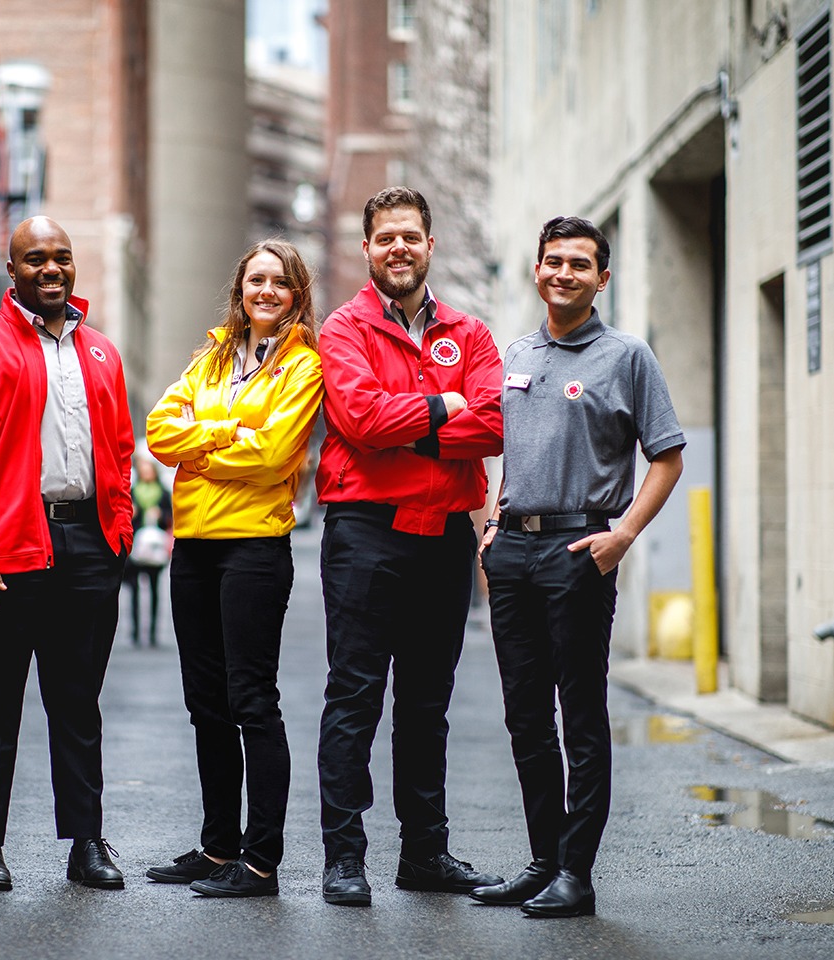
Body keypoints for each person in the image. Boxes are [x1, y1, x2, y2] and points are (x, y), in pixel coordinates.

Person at [470, 217, 684, 918]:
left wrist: (622, 535)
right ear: (537, 270)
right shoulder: (517, 353)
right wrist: (496, 525)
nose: (563, 273)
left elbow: (667, 456)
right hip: (515, 551)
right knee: (525, 716)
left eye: (579, 264)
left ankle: (577, 875)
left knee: (580, 716)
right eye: (553, 261)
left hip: (579, 549)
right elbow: (514, 450)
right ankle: (543, 861)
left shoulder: (626, 356)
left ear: (602, 279)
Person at [314, 187, 505, 907]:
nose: (399, 248)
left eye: (411, 237)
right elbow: (359, 418)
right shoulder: (344, 329)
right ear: (367, 249)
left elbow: (492, 425)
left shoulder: (471, 334)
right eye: (386, 237)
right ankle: (344, 857)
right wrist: (445, 408)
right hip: (365, 532)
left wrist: (413, 426)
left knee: (428, 703)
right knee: (355, 695)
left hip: (443, 542)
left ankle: (425, 852)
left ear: (431, 246)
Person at [0, 216, 133, 892]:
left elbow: (121, 450)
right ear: (12, 269)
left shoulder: (101, 352)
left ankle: (86, 843)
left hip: (87, 545)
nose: (51, 269)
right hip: (8, 545)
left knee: (78, 704)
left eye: (62, 258)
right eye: (35, 259)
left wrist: (121, 529)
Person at [143, 239, 324, 899]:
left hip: (253, 547)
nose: (267, 291)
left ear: (296, 293)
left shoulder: (304, 366)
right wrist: (229, 434)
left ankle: (259, 863)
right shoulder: (213, 354)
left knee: (252, 701)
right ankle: (218, 847)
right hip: (193, 545)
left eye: (280, 282)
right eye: (256, 280)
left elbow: (275, 454)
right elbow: (162, 432)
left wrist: (204, 438)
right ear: (240, 289)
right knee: (206, 704)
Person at [123, 457, 173, 647]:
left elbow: (170, 517)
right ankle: (135, 631)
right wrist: (132, 513)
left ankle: (152, 632)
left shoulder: (163, 493)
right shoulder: (133, 492)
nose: (146, 472)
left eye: (148, 469)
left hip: (155, 546)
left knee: (154, 589)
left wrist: (161, 514)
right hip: (136, 545)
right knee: (134, 589)